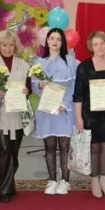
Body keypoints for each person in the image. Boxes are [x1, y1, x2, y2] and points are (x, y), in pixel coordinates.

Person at [0, 30, 31, 203]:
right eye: (4, 45)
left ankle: (9, 184)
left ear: (15, 46)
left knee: (14, 154)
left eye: (11, 45)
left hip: (16, 115)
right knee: (2, 153)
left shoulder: (24, 65)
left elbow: (29, 87)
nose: (8, 48)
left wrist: (27, 91)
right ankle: (3, 190)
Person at [73, 31, 105, 199]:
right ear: (90, 47)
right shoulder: (84, 66)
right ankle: (94, 181)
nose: (99, 47)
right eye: (95, 44)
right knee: (94, 148)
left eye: (102, 43)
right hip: (90, 113)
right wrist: (78, 117)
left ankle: (104, 181)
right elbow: (78, 94)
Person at [31, 28, 77, 196]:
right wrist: (39, 85)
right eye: (52, 38)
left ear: (63, 42)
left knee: (65, 147)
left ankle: (65, 181)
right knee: (49, 147)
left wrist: (65, 103)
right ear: (47, 41)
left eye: (58, 39)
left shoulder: (70, 61)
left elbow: (75, 86)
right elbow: (33, 84)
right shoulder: (39, 62)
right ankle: (52, 180)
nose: (55, 41)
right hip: (46, 111)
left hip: (64, 110)